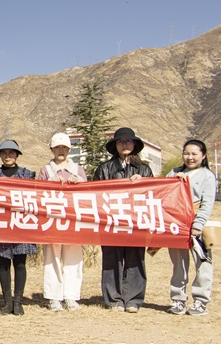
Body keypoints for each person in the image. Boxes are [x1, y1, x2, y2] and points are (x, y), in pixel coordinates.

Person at [93, 127, 153, 313]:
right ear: (115, 145)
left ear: (134, 144)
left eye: (128, 141)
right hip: (111, 222)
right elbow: (94, 193)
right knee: (112, 259)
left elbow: (153, 193)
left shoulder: (144, 169)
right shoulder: (104, 168)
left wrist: (143, 182)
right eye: (120, 141)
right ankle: (114, 299)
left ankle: (133, 299)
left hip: (136, 223)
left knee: (135, 259)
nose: (124, 144)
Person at [0, 139, 37, 316]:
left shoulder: (27, 175)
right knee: (3, 263)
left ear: (17, 155)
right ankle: (7, 302)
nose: (8, 156)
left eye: (11, 152)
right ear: (0, 155)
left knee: (20, 263)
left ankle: (18, 301)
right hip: (0, 225)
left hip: (21, 225)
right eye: (4, 153)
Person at [38, 133, 87, 312]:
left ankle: (71, 296)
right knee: (52, 258)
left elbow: (88, 194)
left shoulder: (78, 170)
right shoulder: (46, 170)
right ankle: (54, 297)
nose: (61, 151)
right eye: (57, 147)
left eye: (64, 148)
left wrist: (79, 183)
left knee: (74, 258)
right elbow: (37, 194)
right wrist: (49, 183)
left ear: (69, 150)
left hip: (73, 220)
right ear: (52, 149)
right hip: (52, 219)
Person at [166, 139, 216, 316]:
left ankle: (201, 301)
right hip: (176, 224)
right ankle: (178, 299)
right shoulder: (174, 173)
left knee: (203, 264)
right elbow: (163, 192)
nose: (190, 157)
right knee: (178, 264)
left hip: (197, 226)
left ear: (203, 156)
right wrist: (174, 181)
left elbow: (207, 203)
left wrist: (198, 225)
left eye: (194, 154)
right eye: (186, 153)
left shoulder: (207, 176)